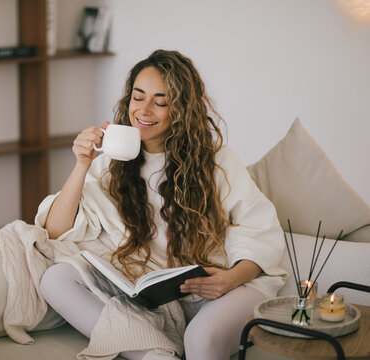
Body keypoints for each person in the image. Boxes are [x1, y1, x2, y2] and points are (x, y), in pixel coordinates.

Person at [38, 50, 286, 360]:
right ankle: (156, 355)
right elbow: (56, 228)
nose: (144, 110)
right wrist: (82, 165)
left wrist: (229, 280)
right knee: (56, 279)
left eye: (160, 101)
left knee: (200, 340)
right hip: (160, 296)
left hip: (220, 286)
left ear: (181, 109)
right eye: (138, 97)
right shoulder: (115, 162)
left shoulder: (217, 160)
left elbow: (261, 230)